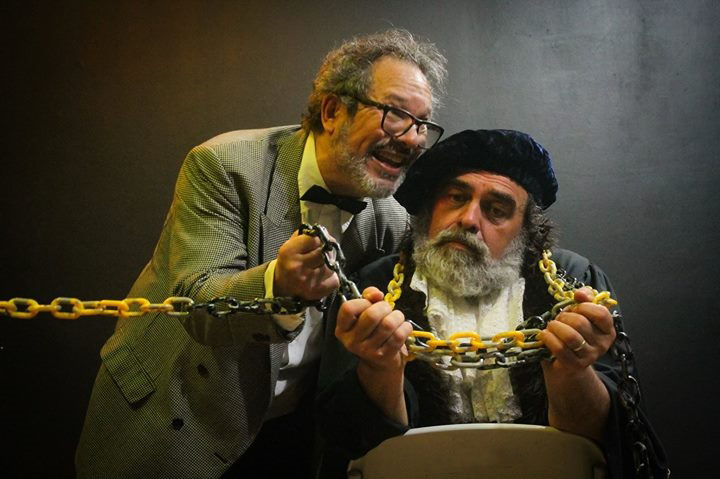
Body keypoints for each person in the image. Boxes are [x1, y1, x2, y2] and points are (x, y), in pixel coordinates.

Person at [75, 29, 447, 479]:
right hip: (175, 416)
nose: (412, 139)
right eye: (396, 114)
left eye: (422, 124)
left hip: (292, 436)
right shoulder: (225, 165)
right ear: (332, 111)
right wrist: (279, 286)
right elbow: (196, 302)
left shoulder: (391, 221)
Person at [316, 129, 669, 478]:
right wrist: (379, 370)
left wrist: (573, 372)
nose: (469, 220)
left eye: (496, 209)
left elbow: (613, 439)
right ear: (429, 208)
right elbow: (343, 442)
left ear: (525, 231)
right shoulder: (374, 288)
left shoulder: (572, 283)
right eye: (455, 198)